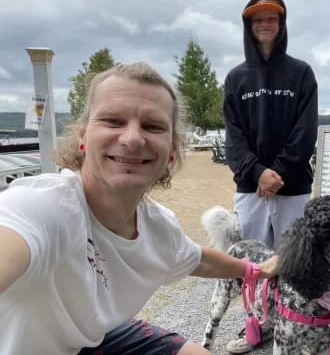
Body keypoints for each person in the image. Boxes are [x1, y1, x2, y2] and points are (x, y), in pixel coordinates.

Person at [0, 62, 277, 355]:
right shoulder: (42, 206)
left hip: (93, 336)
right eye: (113, 121)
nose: (132, 139)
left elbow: (198, 259)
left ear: (172, 150)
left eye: (152, 126)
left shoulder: (158, 226)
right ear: (83, 138)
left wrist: (257, 270)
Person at [223, 0, 318, 353]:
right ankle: (258, 325)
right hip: (251, 190)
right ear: (248, 25)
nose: (265, 24)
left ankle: (298, 327)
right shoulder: (236, 78)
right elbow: (234, 138)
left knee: (293, 260)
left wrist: (276, 172)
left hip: (293, 188)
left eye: (272, 18)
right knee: (253, 264)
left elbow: (305, 132)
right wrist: (257, 172)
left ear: (281, 23)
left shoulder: (301, 73)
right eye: (258, 19)